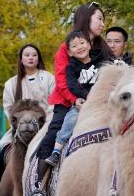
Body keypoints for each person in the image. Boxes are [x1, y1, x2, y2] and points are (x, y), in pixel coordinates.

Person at [27, 2, 110, 196]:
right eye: (99, 18)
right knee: (53, 133)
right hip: (68, 102)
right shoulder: (66, 48)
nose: (102, 23)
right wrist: (76, 100)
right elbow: (63, 81)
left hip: (100, 101)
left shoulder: (102, 47)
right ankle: (39, 189)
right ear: (86, 19)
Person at [0, 44, 54, 196]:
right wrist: (19, 127)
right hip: (20, 130)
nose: (30, 57)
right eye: (27, 55)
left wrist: (44, 125)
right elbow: (9, 109)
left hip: (45, 127)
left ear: (38, 58)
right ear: (21, 59)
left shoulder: (48, 78)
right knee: (3, 155)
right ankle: (0, 193)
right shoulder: (11, 83)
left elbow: (53, 105)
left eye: (34, 54)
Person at [43, 31, 101, 168]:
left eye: (82, 43)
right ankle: (56, 150)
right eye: (74, 46)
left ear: (89, 45)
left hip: (100, 100)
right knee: (70, 120)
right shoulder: (71, 67)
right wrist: (86, 96)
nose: (79, 47)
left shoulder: (99, 62)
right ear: (69, 52)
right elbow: (72, 85)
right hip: (83, 102)